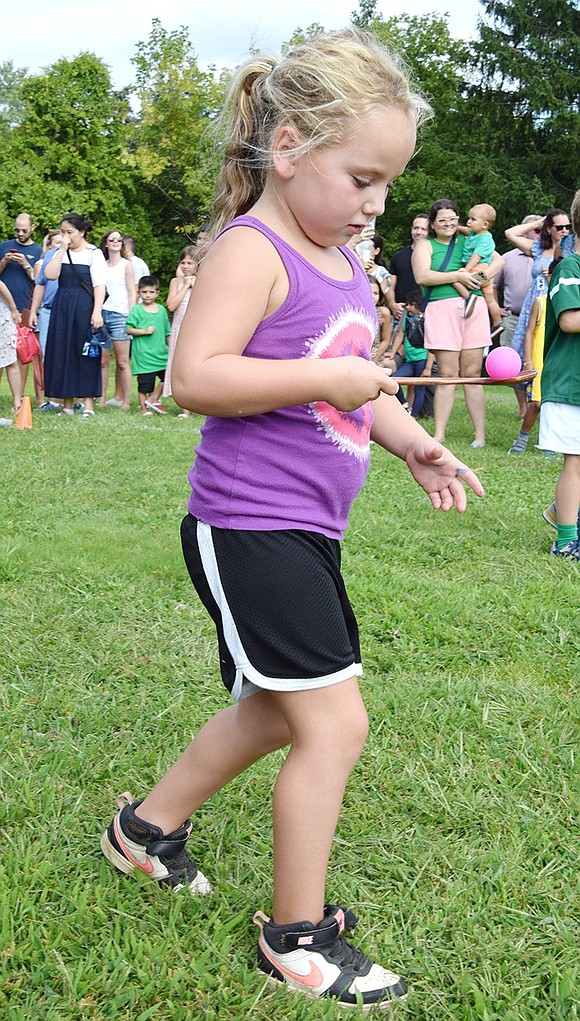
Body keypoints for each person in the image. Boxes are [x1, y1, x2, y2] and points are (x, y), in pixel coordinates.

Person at [100, 29, 485, 1010]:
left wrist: (408, 439)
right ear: (290, 147)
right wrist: (331, 376)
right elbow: (196, 375)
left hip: (303, 529)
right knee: (332, 721)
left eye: (389, 184)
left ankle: (145, 831)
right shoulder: (252, 249)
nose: (376, 204)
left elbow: (357, 385)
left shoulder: (343, 263)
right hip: (246, 526)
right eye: (362, 176)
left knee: (278, 707)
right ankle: (297, 936)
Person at [412, 198, 503, 448]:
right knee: (448, 375)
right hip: (441, 310)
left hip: (473, 307)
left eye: (452, 219)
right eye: (442, 220)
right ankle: (439, 434)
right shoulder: (425, 245)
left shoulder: (470, 238)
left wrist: (481, 276)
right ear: (433, 223)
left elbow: (499, 260)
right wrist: (458, 275)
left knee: (472, 374)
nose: (448, 224)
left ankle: (480, 435)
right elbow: (423, 276)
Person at [535, 191, 580, 559]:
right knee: (575, 462)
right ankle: (565, 539)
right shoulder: (570, 267)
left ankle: (560, 510)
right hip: (570, 384)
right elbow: (570, 320)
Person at [43, 214, 107, 419]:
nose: (65, 236)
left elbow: (99, 285)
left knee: (86, 352)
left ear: (81, 231)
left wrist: (97, 311)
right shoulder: (59, 252)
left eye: (69, 232)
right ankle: (66, 403)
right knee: (62, 350)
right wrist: (61, 248)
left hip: (84, 306)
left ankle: (88, 404)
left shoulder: (93, 253)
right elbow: (50, 275)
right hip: (62, 305)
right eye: (62, 232)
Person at [493, 215, 538, 417]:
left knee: (536, 358)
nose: (537, 233)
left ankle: (536, 402)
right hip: (513, 317)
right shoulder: (507, 257)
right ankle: (522, 406)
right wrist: (496, 308)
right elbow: (493, 285)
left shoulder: (547, 254)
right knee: (514, 362)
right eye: (534, 228)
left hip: (540, 319)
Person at [99, 229, 137, 410]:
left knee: (122, 362)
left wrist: (131, 314)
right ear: (106, 243)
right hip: (102, 314)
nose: (115, 242)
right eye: (112, 240)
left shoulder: (126, 265)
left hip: (120, 315)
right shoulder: (100, 265)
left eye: (119, 240)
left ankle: (126, 401)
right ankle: (101, 399)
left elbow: (132, 291)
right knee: (103, 361)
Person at [455, 204, 503, 338]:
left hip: (480, 269)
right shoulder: (475, 234)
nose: (469, 222)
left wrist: (467, 269)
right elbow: (466, 230)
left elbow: (476, 256)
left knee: (455, 279)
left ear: (485, 224)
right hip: (486, 273)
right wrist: (456, 228)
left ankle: (468, 297)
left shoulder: (485, 239)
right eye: (469, 218)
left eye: (473, 219)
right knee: (490, 300)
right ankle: (497, 322)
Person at [125, 275, 170, 415]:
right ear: (139, 292)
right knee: (144, 385)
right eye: (144, 292)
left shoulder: (162, 310)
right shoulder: (137, 310)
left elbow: (167, 331)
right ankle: (144, 409)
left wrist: (171, 348)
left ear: (157, 293)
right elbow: (128, 329)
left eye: (151, 292)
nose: (147, 295)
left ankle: (153, 399)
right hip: (144, 355)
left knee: (167, 378)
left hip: (161, 354)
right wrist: (143, 331)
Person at [162, 246, 198, 417]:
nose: (185, 266)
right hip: (179, 328)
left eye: (189, 263)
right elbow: (171, 305)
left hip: (196, 329)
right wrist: (185, 286)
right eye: (183, 262)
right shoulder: (176, 282)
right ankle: (185, 409)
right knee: (180, 365)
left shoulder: (203, 281)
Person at [391, 290, 432, 418]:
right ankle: (404, 405)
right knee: (394, 380)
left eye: (410, 304)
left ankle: (413, 417)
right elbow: (400, 335)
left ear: (417, 305)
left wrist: (428, 368)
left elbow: (432, 345)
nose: (407, 307)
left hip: (422, 360)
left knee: (419, 389)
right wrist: (392, 352)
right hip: (409, 361)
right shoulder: (407, 319)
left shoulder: (427, 320)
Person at [385, 213, 429, 321]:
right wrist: (392, 304)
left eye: (423, 229)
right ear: (411, 230)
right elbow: (390, 284)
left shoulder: (435, 257)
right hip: (400, 313)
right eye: (416, 228)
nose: (418, 232)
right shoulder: (398, 256)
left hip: (425, 312)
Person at [0, 213, 42, 314]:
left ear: (33, 227)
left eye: (24, 230)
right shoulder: (4, 246)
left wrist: (25, 264)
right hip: (2, 304)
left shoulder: (38, 251)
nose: (20, 234)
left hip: (24, 305)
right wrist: (3, 262)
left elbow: (38, 280)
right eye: (17, 230)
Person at [0, 280, 22, 413]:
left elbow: (1, 286)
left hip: (2, 318)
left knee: (11, 361)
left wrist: (13, 310)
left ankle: (17, 402)